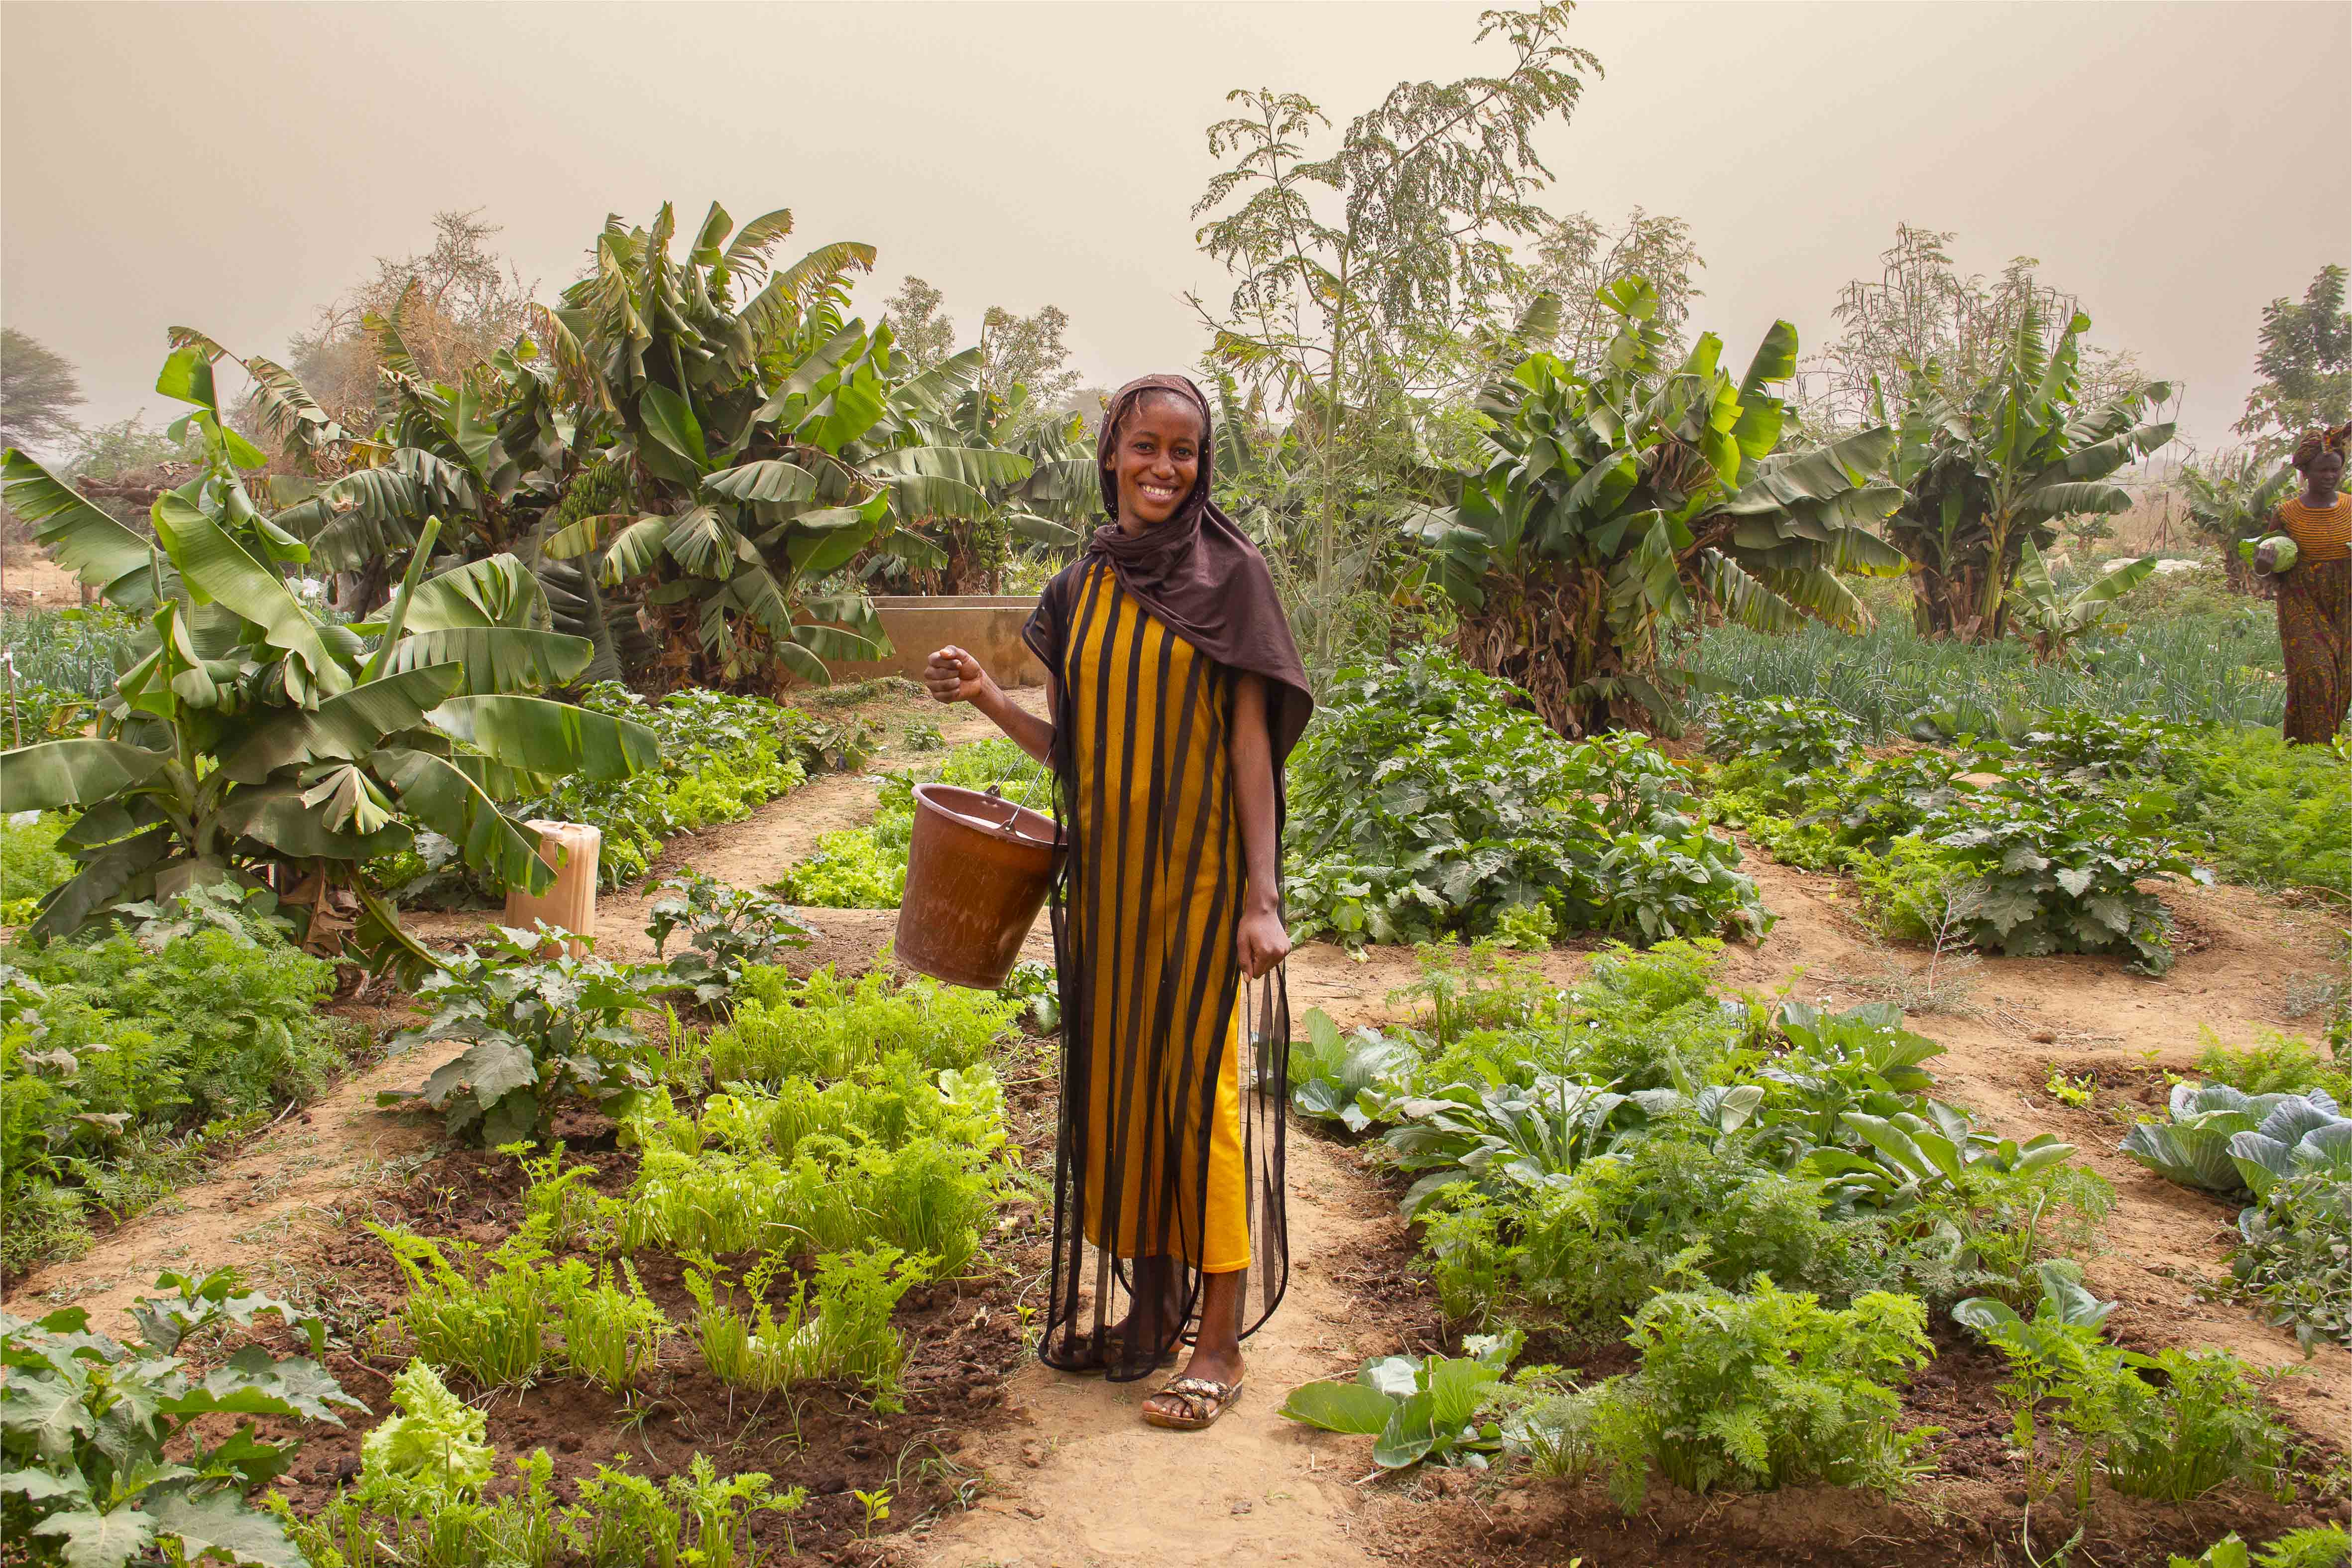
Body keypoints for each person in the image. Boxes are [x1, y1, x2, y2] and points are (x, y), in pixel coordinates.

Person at [922, 373, 1311, 1433]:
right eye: (1146, 446)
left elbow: (1250, 751)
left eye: (1184, 451)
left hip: (1196, 885)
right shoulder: (1081, 587)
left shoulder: (1232, 577)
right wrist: (990, 697)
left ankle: (1219, 1338)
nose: (1163, 468)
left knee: (1199, 1100)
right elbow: (1076, 755)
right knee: (1121, 1096)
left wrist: (1261, 897)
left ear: (1204, 464)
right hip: (1107, 884)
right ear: (1109, 452)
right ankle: (1151, 1313)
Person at [2271, 423, 2351, 744]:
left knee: (2342, 681)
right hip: (2302, 603)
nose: (2330, 476)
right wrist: (2264, 563)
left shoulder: (2351, 507)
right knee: (2316, 676)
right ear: (2305, 471)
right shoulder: (2287, 512)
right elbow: (2271, 566)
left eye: (2336, 469)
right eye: (2322, 471)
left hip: (2345, 605)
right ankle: (2316, 753)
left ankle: (2311, 753)